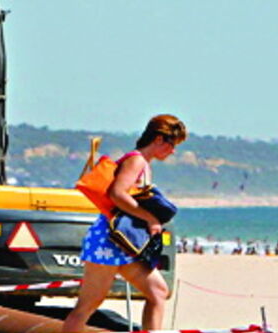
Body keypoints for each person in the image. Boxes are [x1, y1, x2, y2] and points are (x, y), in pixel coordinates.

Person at [62, 114, 187, 333]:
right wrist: (151, 218)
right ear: (158, 139)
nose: (173, 150)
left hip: (122, 242)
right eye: (172, 144)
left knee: (158, 292)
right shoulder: (136, 160)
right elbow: (117, 194)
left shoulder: (144, 163)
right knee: (88, 305)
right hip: (109, 240)